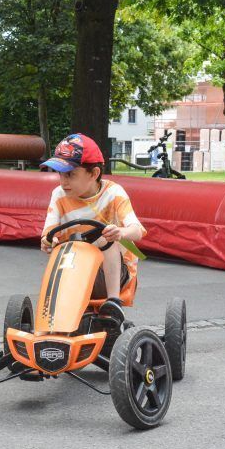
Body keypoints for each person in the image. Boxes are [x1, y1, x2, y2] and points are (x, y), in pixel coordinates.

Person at [40, 133, 146, 326]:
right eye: (60, 174)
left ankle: (113, 305)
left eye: (70, 174)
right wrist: (48, 241)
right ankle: (50, 316)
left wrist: (121, 232)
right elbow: (49, 230)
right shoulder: (58, 195)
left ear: (94, 173)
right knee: (60, 250)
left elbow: (137, 230)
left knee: (107, 238)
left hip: (108, 276)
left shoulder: (113, 193)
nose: (63, 182)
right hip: (73, 271)